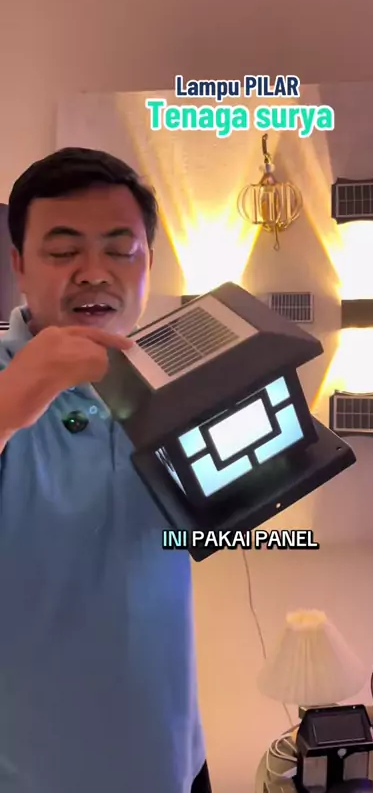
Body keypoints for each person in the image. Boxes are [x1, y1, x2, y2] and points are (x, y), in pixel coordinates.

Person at [0, 147, 211, 793]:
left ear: (149, 262)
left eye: (121, 250)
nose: (94, 273)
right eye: (64, 251)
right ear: (19, 264)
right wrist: (11, 401)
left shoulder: (170, 380)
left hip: (172, 761)